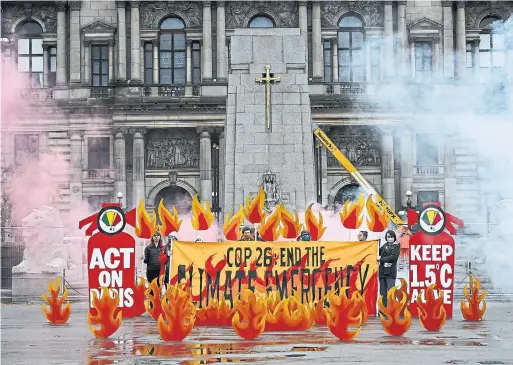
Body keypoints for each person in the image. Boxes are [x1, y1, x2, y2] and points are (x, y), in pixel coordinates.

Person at [378, 230, 400, 307]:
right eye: (388, 237)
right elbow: (377, 251)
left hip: (390, 273)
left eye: (391, 237)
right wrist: (374, 244)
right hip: (382, 272)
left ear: (394, 237)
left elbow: (393, 258)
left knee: (391, 292)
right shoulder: (384, 245)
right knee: (383, 293)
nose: (389, 238)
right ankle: (383, 309)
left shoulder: (396, 246)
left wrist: (381, 259)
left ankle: (393, 309)